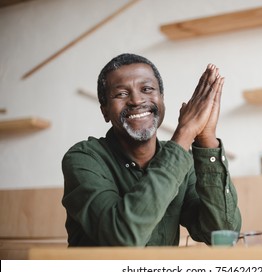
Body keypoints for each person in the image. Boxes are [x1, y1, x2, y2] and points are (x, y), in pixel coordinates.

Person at [61, 53, 241, 246]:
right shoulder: (84, 158)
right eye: (121, 94)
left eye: (147, 89)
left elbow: (222, 233)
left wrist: (206, 139)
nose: (137, 101)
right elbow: (122, 238)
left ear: (162, 99)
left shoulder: (183, 163)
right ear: (104, 110)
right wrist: (185, 132)